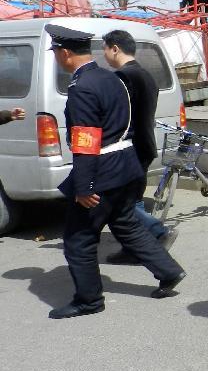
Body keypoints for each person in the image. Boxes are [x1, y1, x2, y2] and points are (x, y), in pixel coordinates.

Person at [45, 25, 185, 319]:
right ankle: (168, 271)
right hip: (126, 164)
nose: (57, 57)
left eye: (56, 52)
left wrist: (83, 186)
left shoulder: (83, 87)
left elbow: (86, 140)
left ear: (65, 53)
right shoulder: (111, 79)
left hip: (102, 170)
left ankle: (89, 300)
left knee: (78, 239)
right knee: (126, 224)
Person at [101, 30, 178, 264]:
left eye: (104, 49)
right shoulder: (146, 74)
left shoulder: (123, 77)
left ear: (115, 48)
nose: (103, 54)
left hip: (129, 147)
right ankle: (133, 247)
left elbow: (119, 117)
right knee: (132, 200)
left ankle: (157, 232)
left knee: (119, 204)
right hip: (144, 144)